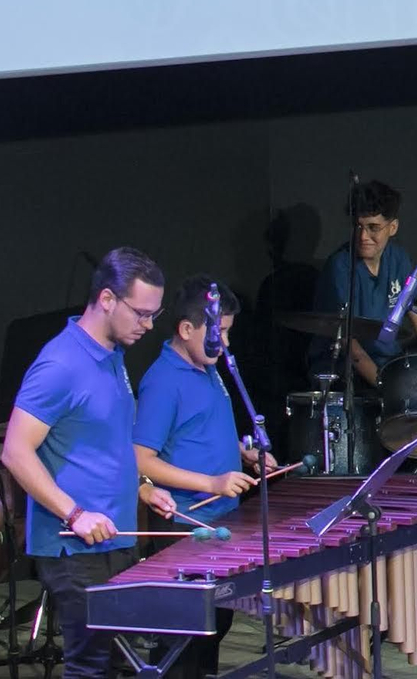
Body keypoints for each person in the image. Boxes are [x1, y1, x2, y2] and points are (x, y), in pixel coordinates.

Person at [1, 248, 182, 679]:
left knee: (125, 664)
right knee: (91, 667)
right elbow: (14, 451)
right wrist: (75, 513)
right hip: (73, 546)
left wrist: (141, 486)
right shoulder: (60, 363)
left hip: (116, 538)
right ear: (106, 299)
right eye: (140, 313)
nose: (149, 325)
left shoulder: (113, 356)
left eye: (154, 314)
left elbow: (103, 443)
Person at [135, 276, 276, 678]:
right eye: (221, 333)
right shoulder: (163, 382)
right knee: (184, 641)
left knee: (215, 628)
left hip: (221, 521)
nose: (226, 344)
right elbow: (141, 459)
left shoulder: (209, 368)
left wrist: (244, 454)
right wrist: (212, 484)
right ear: (186, 329)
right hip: (186, 524)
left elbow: (201, 431)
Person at [310, 180, 417, 386]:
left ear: (393, 227)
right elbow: (351, 346)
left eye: (373, 227)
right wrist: (384, 387)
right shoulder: (340, 266)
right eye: (358, 227)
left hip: (389, 366)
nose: (363, 236)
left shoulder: (399, 259)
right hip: (346, 375)